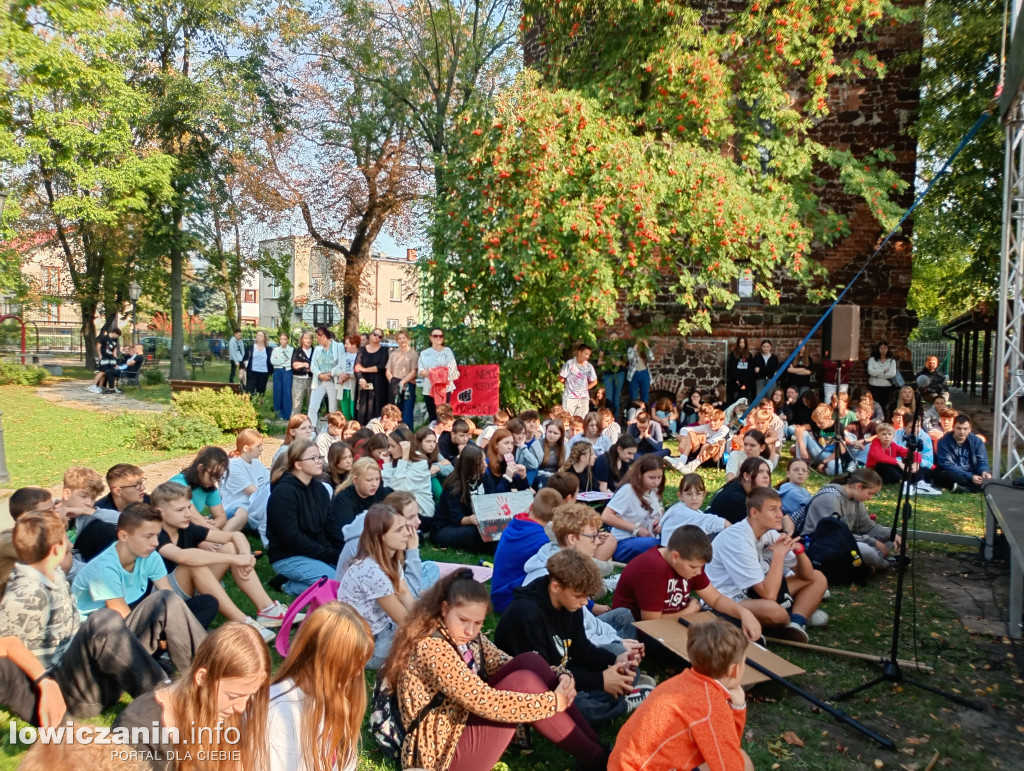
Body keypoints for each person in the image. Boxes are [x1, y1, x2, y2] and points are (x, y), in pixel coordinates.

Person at [381, 569, 607, 771]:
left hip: (462, 719)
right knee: (525, 683)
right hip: (440, 753)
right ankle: (598, 759)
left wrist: (560, 675)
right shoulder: (432, 648)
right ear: (444, 608)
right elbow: (484, 701)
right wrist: (552, 702)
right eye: (464, 620)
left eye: (478, 623)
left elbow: (502, 662)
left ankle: (595, 749)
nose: (470, 630)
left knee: (530, 662)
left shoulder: (463, 634)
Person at [0, 510, 168, 724]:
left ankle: (199, 675)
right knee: (103, 620)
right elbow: (5, 643)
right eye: (65, 539)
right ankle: (167, 702)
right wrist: (43, 681)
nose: (70, 545)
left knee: (162, 600)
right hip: (70, 694)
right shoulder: (25, 592)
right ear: (55, 549)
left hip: (89, 675)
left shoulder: (55, 574)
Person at [495, 549, 651, 725]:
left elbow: (582, 649)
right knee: (578, 708)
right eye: (579, 596)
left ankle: (612, 694)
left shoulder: (570, 604)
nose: (585, 602)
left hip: (566, 670)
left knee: (627, 669)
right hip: (535, 685)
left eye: (587, 596)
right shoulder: (526, 617)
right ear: (556, 587)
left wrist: (615, 660)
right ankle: (622, 703)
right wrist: (601, 681)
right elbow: (543, 677)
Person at [113, 622, 270, 771]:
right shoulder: (136, 729)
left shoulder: (228, 713)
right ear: (202, 678)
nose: (241, 707)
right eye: (233, 696)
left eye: (250, 696)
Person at [70, 504, 208, 669]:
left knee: (207, 603)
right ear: (123, 536)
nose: (155, 543)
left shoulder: (150, 557)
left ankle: (173, 656)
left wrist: (171, 630)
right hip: (100, 638)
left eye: (157, 536)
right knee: (165, 607)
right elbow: (123, 619)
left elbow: (171, 598)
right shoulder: (104, 569)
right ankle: (200, 664)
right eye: (148, 536)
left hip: (132, 623)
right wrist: (166, 635)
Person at [609, 620, 754, 771]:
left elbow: (726, 742)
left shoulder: (683, 681)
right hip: (641, 766)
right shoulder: (711, 706)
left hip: (623, 764)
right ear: (735, 670)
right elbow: (730, 763)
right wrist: (738, 708)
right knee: (744, 763)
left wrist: (736, 709)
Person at [152, 482, 283, 643]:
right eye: (180, 510)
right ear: (160, 513)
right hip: (161, 599)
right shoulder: (154, 534)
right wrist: (234, 559)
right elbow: (181, 556)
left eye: (188, 508)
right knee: (193, 565)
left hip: (190, 592)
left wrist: (244, 556)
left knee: (228, 547)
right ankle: (243, 623)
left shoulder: (186, 527)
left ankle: (267, 610)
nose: (188, 514)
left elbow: (235, 536)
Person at [705, 488, 828, 643]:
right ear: (755, 513)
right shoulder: (738, 540)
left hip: (758, 590)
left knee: (818, 578)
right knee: (776, 613)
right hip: (729, 598)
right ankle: (783, 618)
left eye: (780, 508)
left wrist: (799, 551)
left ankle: (796, 623)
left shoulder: (769, 533)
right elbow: (768, 595)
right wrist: (778, 554)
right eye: (772, 509)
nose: (780, 515)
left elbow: (808, 576)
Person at [267, 602, 372, 771]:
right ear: (327, 662)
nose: (358, 673)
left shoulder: (333, 697)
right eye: (352, 665)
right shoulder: (278, 713)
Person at [613, 525, 761, 637]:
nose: (698, 572)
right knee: (706, 645)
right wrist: (689, 611)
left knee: (732, 623)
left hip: (678, 618)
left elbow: (715, 599)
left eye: (701, 567)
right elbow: (651, 621)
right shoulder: (653, 568)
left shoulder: (689, 564)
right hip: (642, 630)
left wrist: (744, 613)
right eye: (694, 567)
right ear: (675, 557)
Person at [336, 505, 414, 669]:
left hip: (384, 629)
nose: (407, 533)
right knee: (417, 648)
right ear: (381, 536)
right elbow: (405, 620)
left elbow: (406, 595)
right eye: (399, 530)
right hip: (365, 646)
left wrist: (431, 621)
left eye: (405, 527)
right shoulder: (372, 572)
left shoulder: (391, 560)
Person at [267, 440, 343, 595]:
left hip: (316, 550)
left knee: (351, 577)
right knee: (335, 585)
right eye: (313, 458)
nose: (319, 462)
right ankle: (286, 585)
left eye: (320, 457)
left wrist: (344, 551)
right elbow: (291, 537)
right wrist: (329, 555)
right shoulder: (284, 493)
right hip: (288, 554)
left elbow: (330, 527)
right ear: (298, 464)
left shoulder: (320, 490)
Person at [800, 468, 899, 573]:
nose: (870, 498)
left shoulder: (855, 499)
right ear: (858, 486)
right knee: (866, 551)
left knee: (889, 541)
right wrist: (873, 542)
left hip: (843, 542)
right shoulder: (830, 498)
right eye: (870, 493)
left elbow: (868, 527)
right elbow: (834, 535)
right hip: (821, 545)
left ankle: (866, 564)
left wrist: (891, 534)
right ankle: (886, 564)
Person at [491, 488, 562, 613]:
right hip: (509, 598)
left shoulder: (515, 523)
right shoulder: (540, 541)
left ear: (531, 506)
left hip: (499, 592)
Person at [597, 454, 665, 563]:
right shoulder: (628, 490)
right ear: (640, 475)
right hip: (623, 541)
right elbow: (606, 516)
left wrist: (660, 523)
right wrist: (636, 529)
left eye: (659, 477)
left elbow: (659, 512)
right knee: (659, 545)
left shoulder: (654, 491)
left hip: (649, 538)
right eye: (651, 477)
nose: (656, 482)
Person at [170, 446, 247, 533]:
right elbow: (194, 518)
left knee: (241, 513)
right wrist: (204, 524)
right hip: (181, 529)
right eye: (213, 475)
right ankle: (220, 540)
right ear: (200, 468)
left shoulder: (208, 486)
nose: (215, 480)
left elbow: (221, 517)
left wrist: (212, 524)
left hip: (198, 526)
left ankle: (218, 542)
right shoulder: (178, 484)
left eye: (219, 476)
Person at [432, 445, 494, 552]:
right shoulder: (455, 485)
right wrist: (471, 519)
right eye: (480, 463)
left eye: (484, 460)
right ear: (470, 466)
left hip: (477, 521)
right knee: (477, 531)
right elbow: (457, 518)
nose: (485, 465)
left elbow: (492, 498)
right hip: (446, 528)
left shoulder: (485, 477)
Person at [333, 457, 391, 542]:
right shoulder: (343, 499)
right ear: (356, 480)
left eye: (377, 479)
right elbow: (347, 532)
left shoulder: (382, 492)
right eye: (369, 480)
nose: (374, 484)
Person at [659, 474, 728, 544]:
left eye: (698, 494)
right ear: (680, 496)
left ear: (703, 495)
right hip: (672, 552)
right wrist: (732, 528)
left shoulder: (697, 512)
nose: (694, 498)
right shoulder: (680, 511)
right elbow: (711, 522)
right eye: (689, 494)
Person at [934, 414, 992, 492]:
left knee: (992, 476)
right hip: (954, 472)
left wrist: (984, 471)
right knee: (949, 476)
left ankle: (965, 488)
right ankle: (974, 487)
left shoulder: (977, 441)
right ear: (953, 428)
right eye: (959, 428)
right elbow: (947, 464)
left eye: (965, 429)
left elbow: (982, 460)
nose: (962, 432)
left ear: (970, 429)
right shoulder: (943, 441)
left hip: (973, 472)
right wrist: (970, 477)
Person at [707, 456, 772, 525]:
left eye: (767, 472)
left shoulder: (739, 486)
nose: (766, 476)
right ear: (746, 476)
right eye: (760, 472)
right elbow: (760, 526)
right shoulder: (737, 499)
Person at [223, 429, 270, 521]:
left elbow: (272, 481)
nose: (262, 449)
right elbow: (257, 494)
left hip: (253, 508)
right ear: (246, 448)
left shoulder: (256, 462)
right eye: (258, 446)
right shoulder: (233, 466)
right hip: (235, 510)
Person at [417, 327, 460, 424]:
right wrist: (436, 373)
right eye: (435, 336)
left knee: (444, 415)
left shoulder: (447, 351)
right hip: (429, 388)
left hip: (445, 388)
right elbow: (421, 370)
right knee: (432, 416)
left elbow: (452, 370)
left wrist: (436, 375)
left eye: (440, 336)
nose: (438, 338)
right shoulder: (424, 353)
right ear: (431, 338)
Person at [866, 422, 921, 487]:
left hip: (890, 472)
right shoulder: (875, 445)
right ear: (878, 436)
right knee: (882, 464)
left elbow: (915, 453)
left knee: (918, 467)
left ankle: (919, 482)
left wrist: (916, 463)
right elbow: (878, 457)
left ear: (893, 436)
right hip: (875, 473)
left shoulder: (893, 446)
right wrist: (898, 462)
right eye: (883, 434)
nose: (887, 437)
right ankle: (904, 484)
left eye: (889, 434)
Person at [309, 326, 344, 428]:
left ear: (323, 336)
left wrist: (331, 373)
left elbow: (341, 363)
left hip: (332, 380)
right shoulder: (317, 349)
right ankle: (311, 429)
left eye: (317, 337)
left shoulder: (338, 346)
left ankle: (333, 429)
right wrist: (320, 374)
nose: (316, 340)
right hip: (319, 381)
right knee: (312, 407)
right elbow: (312, 365)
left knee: (332, 409)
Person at [355, 327, 390, 424]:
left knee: (377, 407)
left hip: (379, 384)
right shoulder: (362, 350)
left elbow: (382, 366)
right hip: (364, 383)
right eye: (375, 334)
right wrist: (361, 378)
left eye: (380, 336)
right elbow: (357, 366)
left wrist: (364, 369)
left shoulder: (384, 350)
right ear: (370, 335)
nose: (377, 337)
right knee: (363, 408)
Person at [387, 329, 420, 428]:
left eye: (404, 338)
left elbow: (414, 371)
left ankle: (407, 433)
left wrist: (403, 382)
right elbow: (388, 371)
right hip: (395, 385)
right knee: (395, 411)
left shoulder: (413, 354)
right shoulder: (393, 354)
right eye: (399, 338)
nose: (402, 340)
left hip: (408, 385)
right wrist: (393, 382)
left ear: (408, 339)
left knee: (407, 413)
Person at [559, 343, 599, 418]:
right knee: (567, 418)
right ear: (579, 352)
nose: (587, 356)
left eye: (589, 355)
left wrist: (586, 388)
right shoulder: (569, 364)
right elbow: (561, 378)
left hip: (583, 398)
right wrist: (570, 385)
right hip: (570, 397)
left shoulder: (589, 366)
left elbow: (594, 381)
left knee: (581, 420)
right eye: (586, 354)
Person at [599, 330, 628, 419]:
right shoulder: (605, 347)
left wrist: (619, 363)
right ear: (609, 339)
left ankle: (615, 418)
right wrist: (608, 361)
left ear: (618, 339)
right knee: (609, 396)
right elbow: (599, 362)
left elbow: (625, 363)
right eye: (611, 338)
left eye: (615, 338)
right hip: (608, 374)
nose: (613, 339)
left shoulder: (622, 348)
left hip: (619, 373)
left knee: (617, 396)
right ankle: (608, 417)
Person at [777, 458, 812, 529]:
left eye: (804, 470)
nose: (800, 473)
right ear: (788, 473)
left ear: (808, 475)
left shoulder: (804, 490)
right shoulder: (789, 490)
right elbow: (810, 507)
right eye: (796, 470)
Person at [87, 327, 121, 394]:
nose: (117, 336)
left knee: (107, 373)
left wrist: (115, 358)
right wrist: (100, 355)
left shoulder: (115, 339)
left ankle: (101, 387)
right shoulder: (104, 338)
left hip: (111, 358)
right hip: (104, 357)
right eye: (117, 335)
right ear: (114, 332)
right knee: (102, 371)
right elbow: (98, 346)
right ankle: (94, 386)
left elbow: (114, 349)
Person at [867, 341, 898, 409]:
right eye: (881, 348)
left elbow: (892, 374)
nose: (883, 350)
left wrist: (877, 374)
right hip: (874, 386)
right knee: (874, 406)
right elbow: (871, 372)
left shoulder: (891, 361)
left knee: (884, 406)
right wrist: (884, 371)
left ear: (888, 349)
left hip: (886, 387)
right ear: (878, 349)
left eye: (885, 348)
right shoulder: (872, 360)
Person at [241, 330, 274, 395]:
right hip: (252, 373)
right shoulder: (250, 348)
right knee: (249, 393)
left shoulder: (269, 349)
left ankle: (259, 405)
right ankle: (249, 405)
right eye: (257, 335)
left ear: (264, 338)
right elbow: (244, 360)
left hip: (263, 374)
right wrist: (241, 371)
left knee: (261, 393)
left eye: (260, 335)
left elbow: (271, 361)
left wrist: (271, 371)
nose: (258, 337)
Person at [291, 329, 315, 417]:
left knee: (312, 405)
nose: (308, 340)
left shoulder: (315, 351)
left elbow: (316, 366)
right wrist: (307, 366)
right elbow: (294, 365)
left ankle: (311, 427)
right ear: (302, 339)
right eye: (306, 338)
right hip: (298, 380)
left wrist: (303, 364)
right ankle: (293, 426)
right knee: (297, 405)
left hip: (312, 380)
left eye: (310, 338)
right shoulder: (297, 351)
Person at [270, 331, 294, 419]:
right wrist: (283, 360)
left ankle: (287, 414)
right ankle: (278, 413)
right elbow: (273, 361)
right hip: (277, 372)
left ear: (287, 340)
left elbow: (290, 362)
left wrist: (279, 360)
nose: (282, 341)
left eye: (284, 339)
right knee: (277, 391)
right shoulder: (276, 350)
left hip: (287, 371)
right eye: (281, 339)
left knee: (287, 392)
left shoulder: (291, 350)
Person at [338, 333, 361, 420]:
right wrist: (341, 374)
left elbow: (359, 370)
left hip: (354, 388)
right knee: (345, 412)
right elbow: (336, 368)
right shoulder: (343, 355)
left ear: (354, 344)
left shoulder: (360, 355)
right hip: (343, 387)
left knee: (353, 411)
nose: (345, 345)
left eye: (347, 343)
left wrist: (349, 375)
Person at [726, 336, 753, 405]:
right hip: (735, 382)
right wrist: (737, 380)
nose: (742, 344)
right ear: (738, 343)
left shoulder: (749, 355)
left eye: (743, 342)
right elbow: (732, 369)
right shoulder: (733, 355)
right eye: (740, 342)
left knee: (744, 400)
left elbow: (750, 370)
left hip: (746, 382)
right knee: (734, 400)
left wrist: (745, 382)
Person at [626, 338, 653, 406]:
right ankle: (634, 412)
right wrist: (636, 345)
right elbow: (630, 357)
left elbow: (651, 358)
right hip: (634, 374)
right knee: (633, 397)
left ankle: (644, 413)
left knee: (645, 396)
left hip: (644, 373)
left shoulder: (645, 350)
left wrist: (646, 345)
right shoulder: (631, 349)